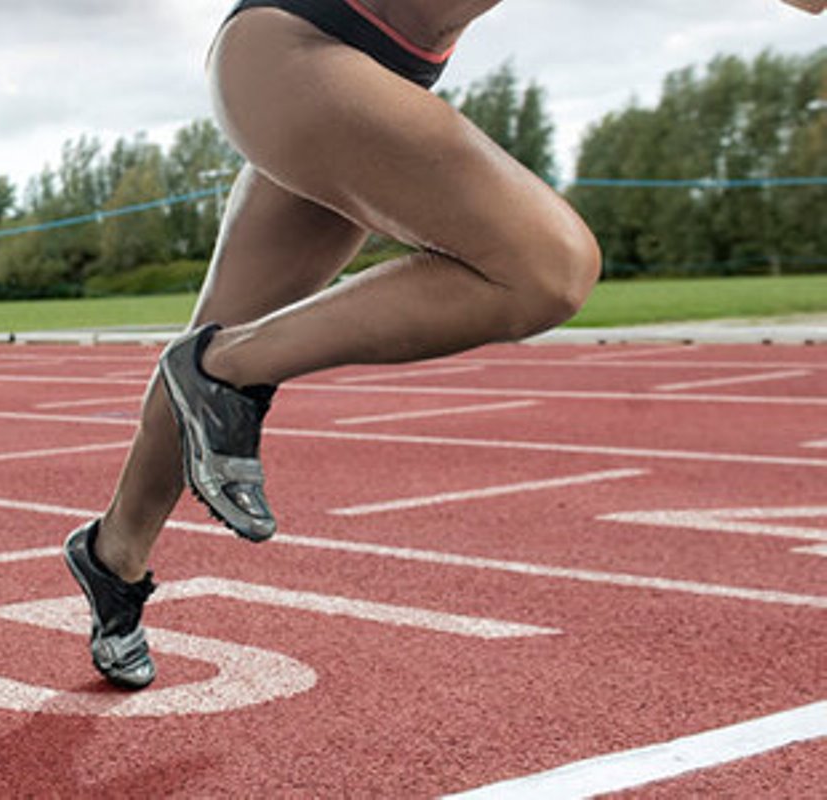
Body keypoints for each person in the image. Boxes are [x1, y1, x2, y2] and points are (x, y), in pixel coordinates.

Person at [64, 0, 827, 691]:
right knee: (547, 267)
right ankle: (224, 371)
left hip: (363, 72)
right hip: (298, 49)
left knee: (214, 337)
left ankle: (114, 555)